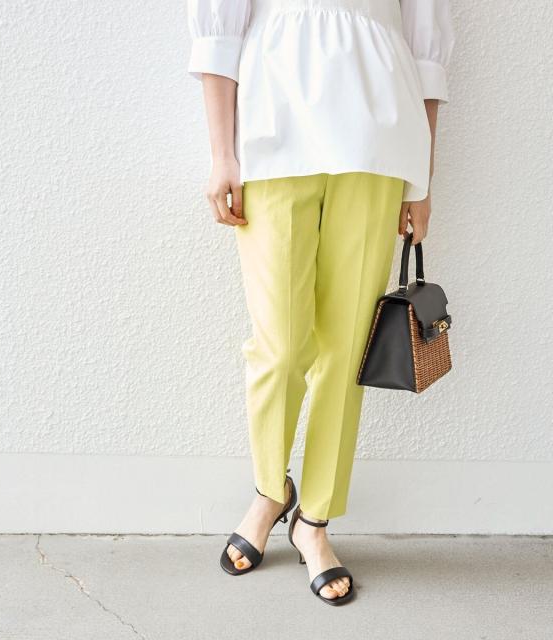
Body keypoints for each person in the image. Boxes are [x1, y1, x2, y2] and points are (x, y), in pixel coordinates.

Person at [186, 0, 454, 606]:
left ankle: (315, 519)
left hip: (378, 145)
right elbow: (219, 29)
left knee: (346, 350)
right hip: (271, 133)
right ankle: (269, 490)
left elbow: (426, 47)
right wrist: (222, 154)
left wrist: (423, 179)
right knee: (280, 346)